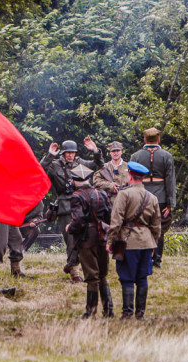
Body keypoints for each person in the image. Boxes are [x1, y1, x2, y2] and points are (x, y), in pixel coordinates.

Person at [41, 138, 103, 282]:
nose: (70, 155)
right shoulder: (55, 166)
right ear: (63, 153)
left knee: (84, 237)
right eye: (68, 153)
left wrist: (95, 151)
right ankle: (74, 272)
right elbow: (40, 169)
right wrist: (50, 155)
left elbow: (99, 165)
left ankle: (72, 264)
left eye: (73, 153)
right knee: (71, 239)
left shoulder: (80, 163)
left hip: (81, 204)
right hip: (65, 206)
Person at [107, 162, 161, 320]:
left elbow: (116, 220)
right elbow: (156, 225)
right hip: (146, 242)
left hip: (127, 242)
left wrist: (110, 240)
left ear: (130, 176)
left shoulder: (124, 195)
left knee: (127, 277)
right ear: (142, 178)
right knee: (142, 278)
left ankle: (127, 313)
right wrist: (153, 244)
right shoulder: (153, 197)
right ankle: (140, 314)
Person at [67, 165, 114, 318]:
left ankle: (91, 311)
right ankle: (108, 310)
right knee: (102, 275)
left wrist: (70, 228)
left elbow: (78, 220)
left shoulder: (76, 196)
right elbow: (109, 215)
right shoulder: (101, 193)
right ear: (88, 179)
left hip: (87, 239)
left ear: (74, 181)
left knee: (92, 276)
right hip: (102, 236)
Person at [130, 128, 176, 269]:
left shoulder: (135, 156)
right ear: (158, 140)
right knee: (159, 229)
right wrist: (170, 203)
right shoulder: (166, 156)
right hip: (161, 198)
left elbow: (131, 179)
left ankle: (142, 260)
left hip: (141, 196)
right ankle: (156, 261)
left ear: (144, 140)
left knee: (141, 227)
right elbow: (170, 181)